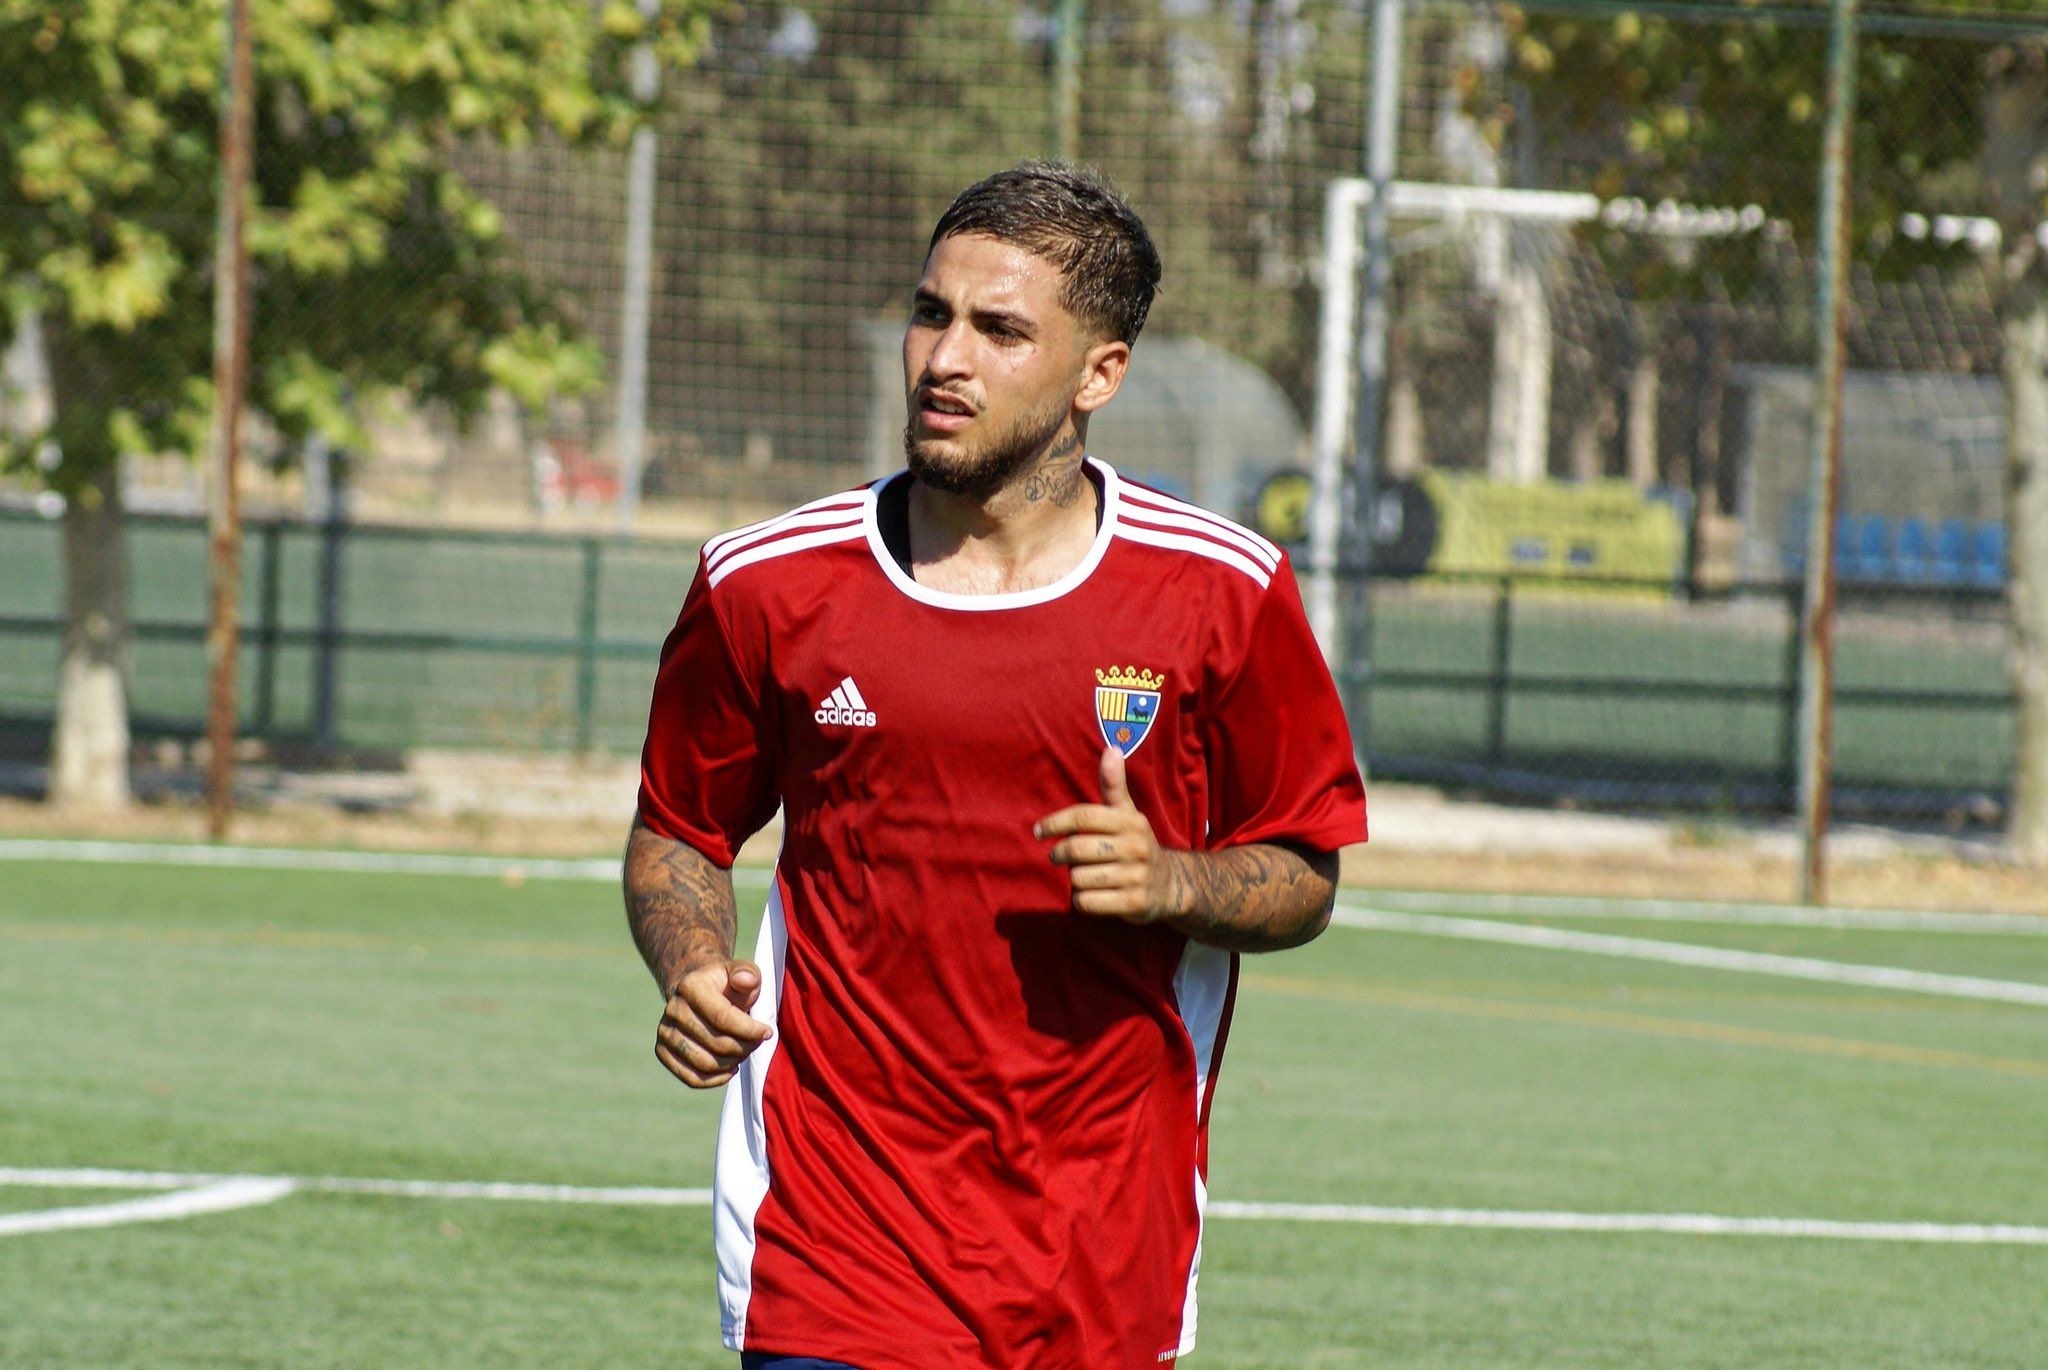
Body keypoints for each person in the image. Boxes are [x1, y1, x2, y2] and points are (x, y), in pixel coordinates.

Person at [626, 161, 1368, 1370]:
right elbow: (678, 828)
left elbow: (1303, 871)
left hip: (1101, 1253)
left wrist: (1174, 882)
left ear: (1098, 372)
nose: (942, 357)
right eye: (931, 313)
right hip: (833, 1242)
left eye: (998, 328)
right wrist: (696, 962)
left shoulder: (1223, 593)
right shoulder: (764, 581)